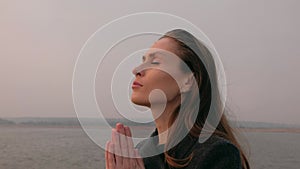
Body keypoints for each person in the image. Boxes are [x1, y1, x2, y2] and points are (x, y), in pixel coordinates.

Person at [105, 29, 250, 169]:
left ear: (187, 81)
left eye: (155, 62)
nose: (136, 70)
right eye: (143, 60)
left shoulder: (217, 153)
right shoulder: (139, 153)